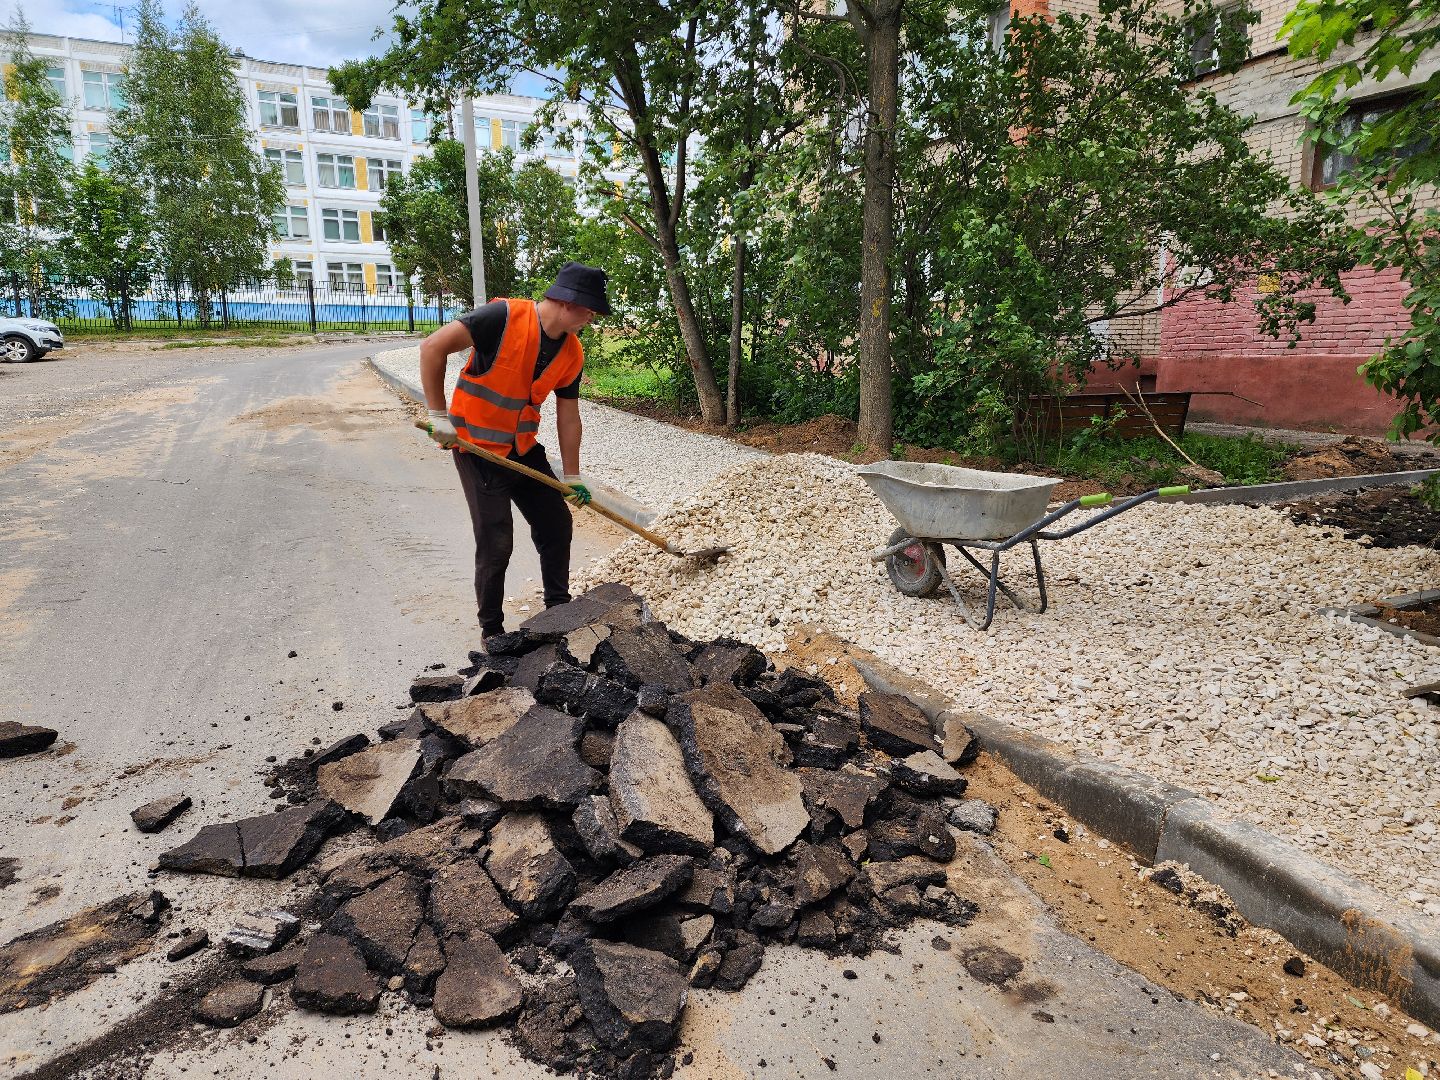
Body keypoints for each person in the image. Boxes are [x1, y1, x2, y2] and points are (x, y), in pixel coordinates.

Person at [420, 261, 610, 644]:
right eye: (589, 307)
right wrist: (438, 414)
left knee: (556, 524)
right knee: (496, 540)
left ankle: (559, 611)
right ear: (567, 300)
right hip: (476, 447)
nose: (592, 314)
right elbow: (432, 347)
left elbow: (568, 414)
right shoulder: (501, 317)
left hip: (521, 449)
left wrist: (571, 476)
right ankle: (492, 633)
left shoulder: (571, 353)